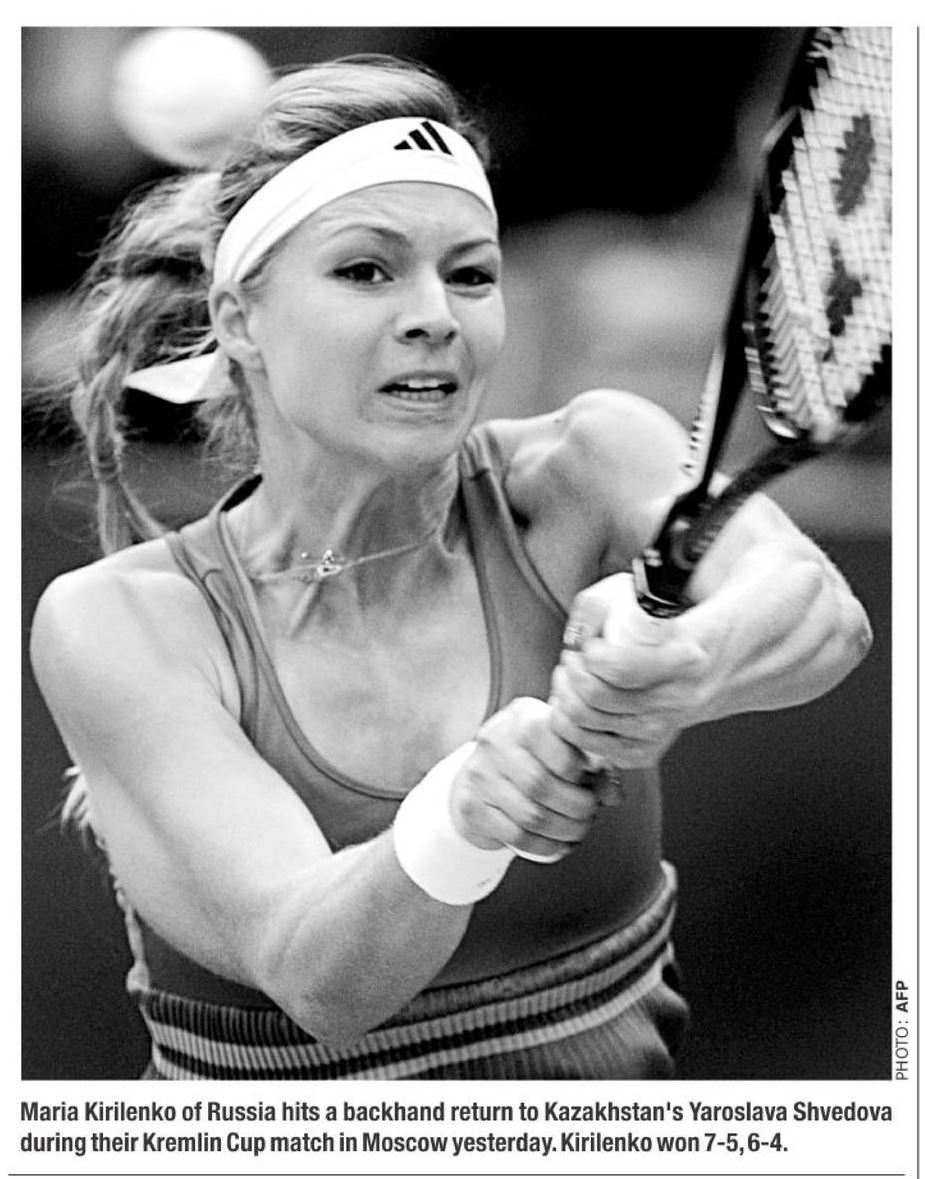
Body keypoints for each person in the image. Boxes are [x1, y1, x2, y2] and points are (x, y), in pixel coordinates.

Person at [29, 53, 872, 1081]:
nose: (436, 313)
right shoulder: (119, 621)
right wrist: (464, 814)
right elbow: (320, 982)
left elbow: (817, 612)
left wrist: (685, 664)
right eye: (365, 270)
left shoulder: (586, 463)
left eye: (470, 273)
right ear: (241, 319)